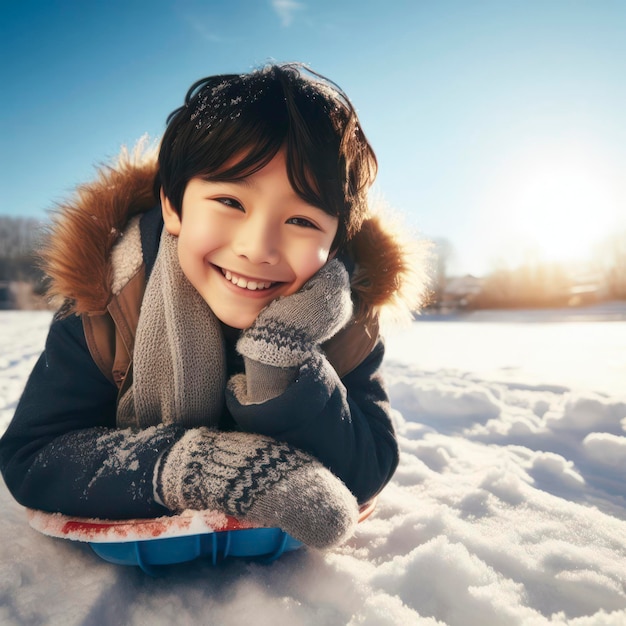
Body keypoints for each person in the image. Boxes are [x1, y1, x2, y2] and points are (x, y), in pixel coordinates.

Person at [0, 63, 427, 550]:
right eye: (229, 200)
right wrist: (201, 468)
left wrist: (282, 361)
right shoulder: (108, 299)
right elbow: (34, 455)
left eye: (301, 220)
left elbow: (368, 467)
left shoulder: (348, 318)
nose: (257, 246)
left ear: (335, 242)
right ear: (173, 206)